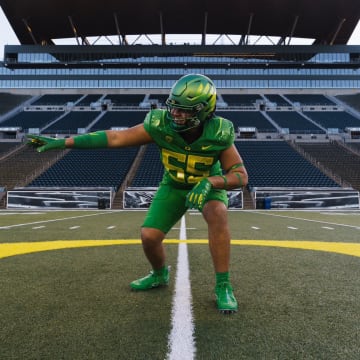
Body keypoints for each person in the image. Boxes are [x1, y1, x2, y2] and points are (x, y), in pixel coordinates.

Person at [28, 74, 248, 314]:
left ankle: (223, 286)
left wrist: (211, 182)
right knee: (149, 236)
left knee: (218, 212)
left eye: (184, 111)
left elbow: (240, 175)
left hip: (206, 186)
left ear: (205, 111)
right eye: (174, 108)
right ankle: (159, 274)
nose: (175, 115)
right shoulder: (159, 123)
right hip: (174, 184)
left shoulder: (219, 132)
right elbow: (115, 137)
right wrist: (63, 143)